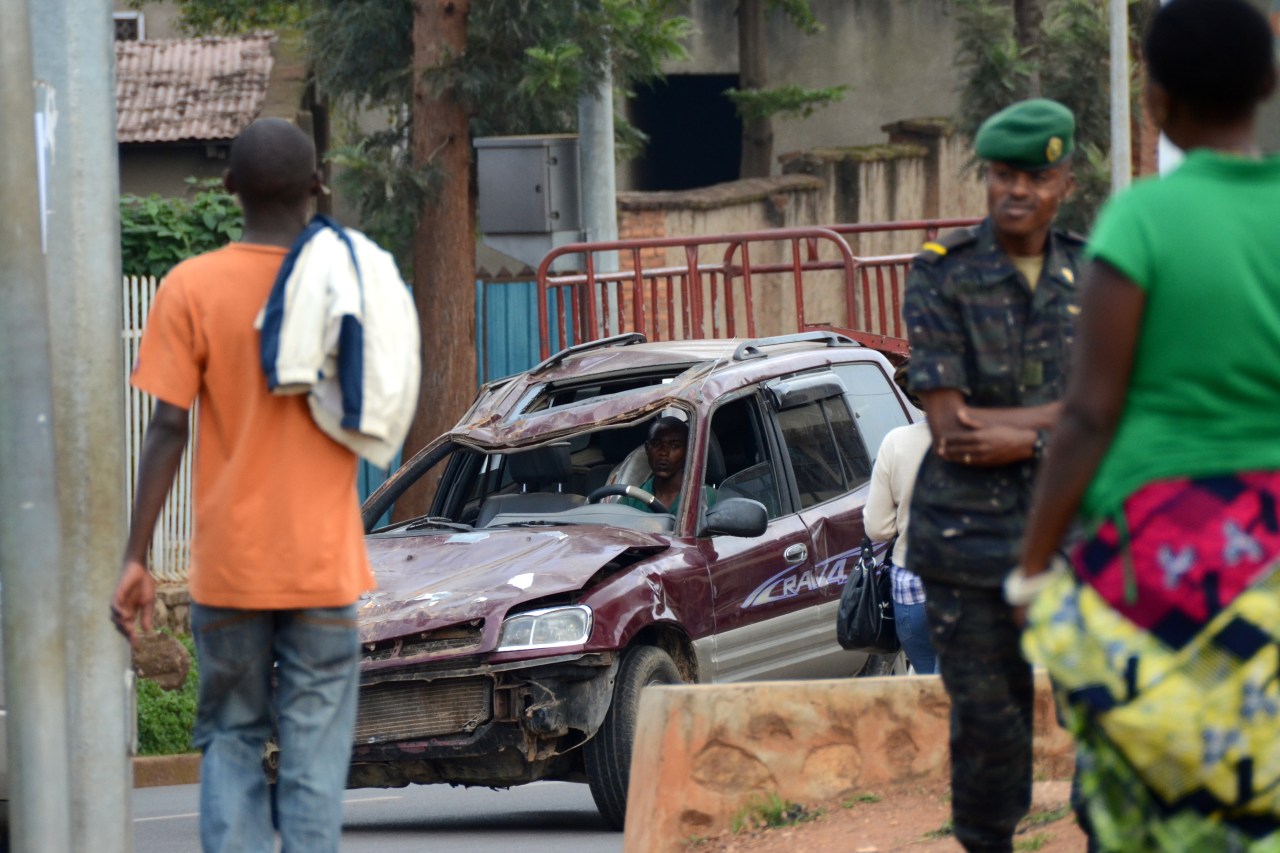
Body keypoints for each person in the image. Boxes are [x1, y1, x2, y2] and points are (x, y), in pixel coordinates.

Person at [1014, 1, 1280, 849]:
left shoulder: (1140, 221)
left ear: (1156, 100)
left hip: (1154, 556)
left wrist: (1032, 566)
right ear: (1269, 85)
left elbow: (1091, 412)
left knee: (1142, 791)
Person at [109, 118, 376, 853]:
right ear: (317, 185)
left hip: (230, 568)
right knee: (314, 759)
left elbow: (168, 427)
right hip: (323, 566)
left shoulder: (190, 287)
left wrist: (135, 557)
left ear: (229, 187)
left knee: (230, 738)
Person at [901, 98, 1083, 852]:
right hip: (966, 542)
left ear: (1065, 183)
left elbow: (1120, 403)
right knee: (989, 729)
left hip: (1077, 536)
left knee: (1105, 715)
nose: (1018, 190)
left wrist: (1027, 434)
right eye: (1004, 174)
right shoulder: (940, 272)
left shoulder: (1096, 273)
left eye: (1035, 177)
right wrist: (1066, 424)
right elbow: (953, 429)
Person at [863, 365, 938, 674]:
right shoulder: (994, 442)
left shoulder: (896, 442)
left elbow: (878, 528)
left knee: (930, 685)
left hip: (912, 591)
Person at [619, 416, 698, 514]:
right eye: (656, 444)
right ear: (647, 449)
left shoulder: (704, 498)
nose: (664, 452)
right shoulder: (631, 500)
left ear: (688, 451)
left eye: (674, 446)